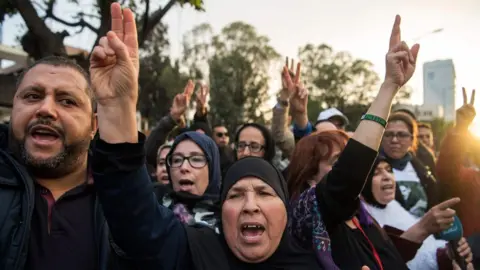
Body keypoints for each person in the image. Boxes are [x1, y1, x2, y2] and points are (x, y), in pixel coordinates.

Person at [288, 14, 421, 269]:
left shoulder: (362, 215)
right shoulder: (308, 214)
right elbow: (351, 170)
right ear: (309, 176)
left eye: (346, 156)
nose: (354, 167)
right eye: (339, 161)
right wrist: (390, 86)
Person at [0, 54, 124, 269]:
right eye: (32, 96)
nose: (46, 109)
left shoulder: (127, 202)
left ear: (94, 126)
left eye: (67, 101)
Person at [362, 156, 474, 270]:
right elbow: (386, 262)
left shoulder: (394, 206)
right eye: (376, 173)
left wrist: (447, 255)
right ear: (362, 180)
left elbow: (422, 257)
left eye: (389, 170)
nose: (386, 176)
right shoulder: (361, 221)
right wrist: (423, 227)